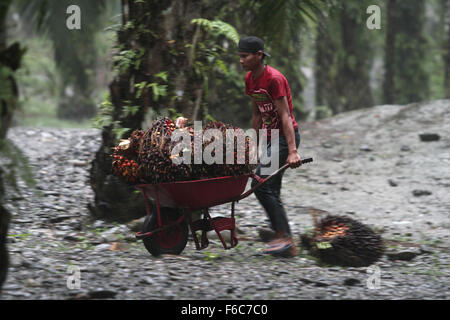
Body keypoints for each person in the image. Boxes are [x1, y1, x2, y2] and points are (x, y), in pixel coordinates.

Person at [238, 36, 302, 257]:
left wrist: (292, 151)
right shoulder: (249, 79)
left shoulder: (274, 79)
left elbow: (285, 116)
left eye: (245, 56)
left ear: (259, 55)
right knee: (271, 189)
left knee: (261, 183)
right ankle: (285, 242)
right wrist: (255, 146)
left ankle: (283, 236)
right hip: (270, 138)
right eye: (240, 56)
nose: (241, 60)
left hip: (285, 138)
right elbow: (257, 113)